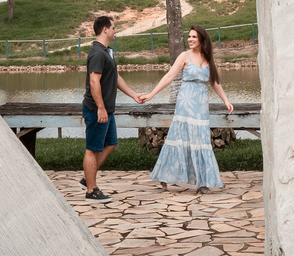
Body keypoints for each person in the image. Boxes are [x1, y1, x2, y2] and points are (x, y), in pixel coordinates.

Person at [139, 25, 233, 193]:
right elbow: (169, 76)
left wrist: (226, 100)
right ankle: (165, 175)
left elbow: (215, 82)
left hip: (201, 105)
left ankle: (201, 182)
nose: (190, 39)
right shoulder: (184, 56)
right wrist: (152, 94)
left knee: (201, 141)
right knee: (179, 138)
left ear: (202, 39)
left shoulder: (208, 57)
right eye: (189, 36)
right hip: (186, 103)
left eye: (194, 37)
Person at [82, 15, 142, 202]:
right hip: (96, 109)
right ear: (105, 30)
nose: (116, 31)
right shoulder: (98, 53)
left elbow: (115, 77)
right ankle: (91, 190)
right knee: (92, 149)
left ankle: (87, 177)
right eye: (114, 28)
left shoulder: (107, 52)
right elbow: (94, 81)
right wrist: (100, 108)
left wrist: (133, 94)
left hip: (107, 109)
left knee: (111, 143)